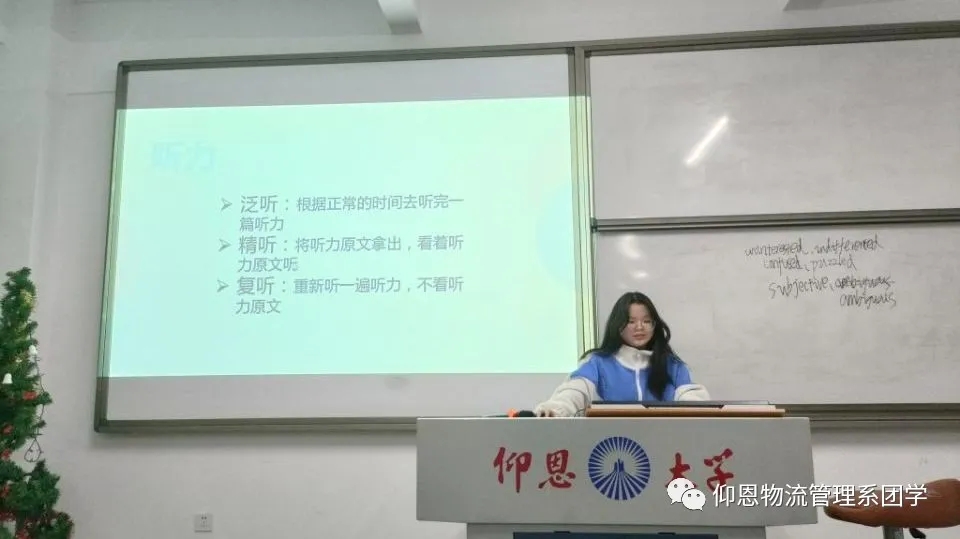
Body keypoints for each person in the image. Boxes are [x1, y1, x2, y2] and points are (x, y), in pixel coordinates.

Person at [534, 291, 710, 417]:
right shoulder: (599, 363)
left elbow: (691, 399)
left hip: (665, 445)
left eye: (646, 321)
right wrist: (556, 409)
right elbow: (575, 391)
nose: (639, 327)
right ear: (617, 325)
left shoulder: (672, 366)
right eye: (631, 321)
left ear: (654, 325)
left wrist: (701, 411)